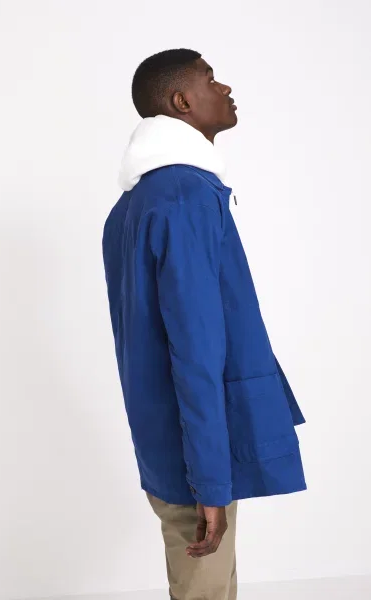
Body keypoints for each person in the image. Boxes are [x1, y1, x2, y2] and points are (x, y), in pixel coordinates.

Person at [102, 48, 307, 600]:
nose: (226, 88)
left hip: (170, 439)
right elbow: (194, 348)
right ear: (181, 101)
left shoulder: (132, 205)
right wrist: (210, 481)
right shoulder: (185, 196)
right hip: (197, 448)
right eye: (211, 79)